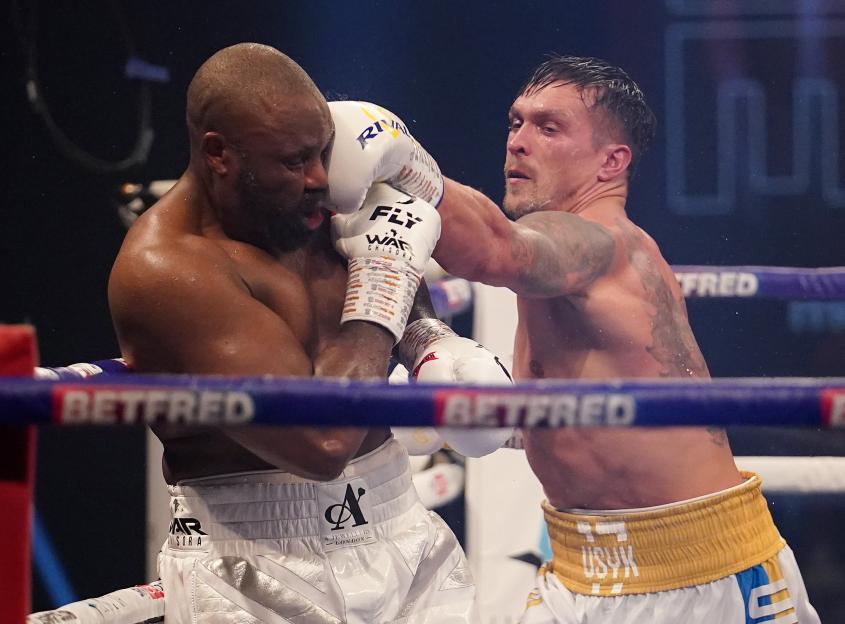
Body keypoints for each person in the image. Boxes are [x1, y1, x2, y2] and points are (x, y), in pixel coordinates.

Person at [326, 57, 820, 623]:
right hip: (580, 569)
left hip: (703, 578)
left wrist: (407, 161)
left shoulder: (601, 243)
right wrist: (437, 351)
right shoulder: (554, 268)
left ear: (612, 161)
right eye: (516, 122)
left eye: (548, 127)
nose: (518, 141)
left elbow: (495, 250)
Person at [108, 42, 510, 624]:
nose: (321, 176)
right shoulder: (169, 269)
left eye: (323, 151)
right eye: (295, 161)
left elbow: (384, 265)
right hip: (257, 567)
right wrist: (384, 280)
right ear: (218, 154)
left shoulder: (304, 201)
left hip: (402, 524)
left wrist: (427, 339)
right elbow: (320, 443)